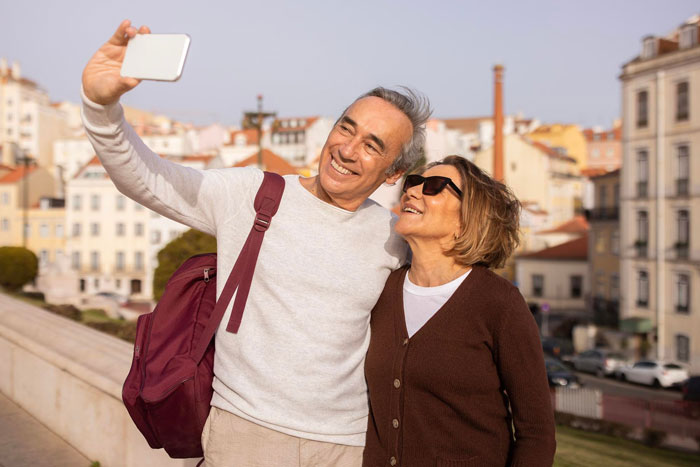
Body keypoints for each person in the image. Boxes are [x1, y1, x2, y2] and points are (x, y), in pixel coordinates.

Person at [82, 20, 431, 467]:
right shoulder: (253, 195)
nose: (347, 149)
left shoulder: (394, 237)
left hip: (347, 444)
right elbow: (145, 178)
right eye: (346, 128)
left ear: (393, 173)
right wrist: (100, 104)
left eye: (372, 145)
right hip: (244, 434)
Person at [363, 156, 556, 467]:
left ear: (468, 219)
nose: (412, 191)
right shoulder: (382, 289)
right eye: (413, 183)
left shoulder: (499, 303)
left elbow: (537, 433)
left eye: (435, 187)